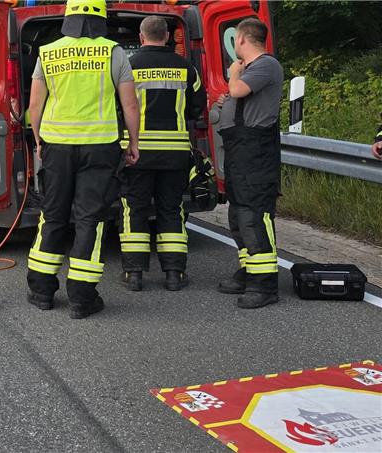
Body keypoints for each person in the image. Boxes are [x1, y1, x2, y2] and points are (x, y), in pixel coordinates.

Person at [27, 0, 140, 319]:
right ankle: (82, 297)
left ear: (68, 17)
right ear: (101, 19)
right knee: (90, 219)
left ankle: (41, 291)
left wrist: (38, 140)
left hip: (57, 147)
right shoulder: (113, 52)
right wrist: (134, 142)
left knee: (53, 215)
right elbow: (130, 105)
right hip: (100, 147)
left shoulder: (47, 52)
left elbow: (35, 105)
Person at [118, 16, 207, 292]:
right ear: (167, 36)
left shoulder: (128, 68)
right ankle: (174, 274)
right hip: (175, 153)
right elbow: (197, 108)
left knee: (135, 209)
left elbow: (118, 108)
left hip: (137, 152)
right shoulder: (186, 68)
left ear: (142, 38)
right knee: (171, 210)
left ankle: (134, 274)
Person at [215, 18, 284, 309]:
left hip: (255, 153)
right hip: (241, 151)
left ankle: (265, 283)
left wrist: (232, 77)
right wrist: (226, 100)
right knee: (239, 216)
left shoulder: (265, 65)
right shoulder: (252, 70)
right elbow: (239, 96)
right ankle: (249, 269)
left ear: (240, 38)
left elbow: (241, 91)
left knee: (255, 216)